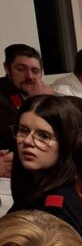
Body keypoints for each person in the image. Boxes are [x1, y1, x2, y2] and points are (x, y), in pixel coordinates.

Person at [8, 94, 82, 230]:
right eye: (23, 130)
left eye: (43, 136)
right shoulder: (34, 184)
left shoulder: (57, 208)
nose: (27, 141)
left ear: (66, 143)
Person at [0, 44, 52, 173]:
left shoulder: (43, 91)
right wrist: (39, 102)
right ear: (7, 68)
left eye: (35, 71)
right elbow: (20, 137)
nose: (29, 76)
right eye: (21, 69)